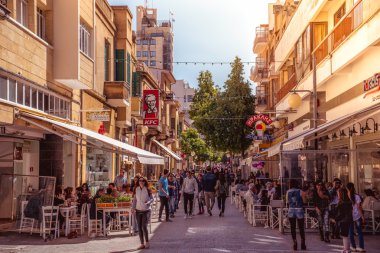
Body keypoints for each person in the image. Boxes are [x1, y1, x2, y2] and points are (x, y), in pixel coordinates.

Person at [132, 177, 154, 250]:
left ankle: (147, 242)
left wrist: (148, 202)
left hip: (146, 210)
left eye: (142, 181)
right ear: (138, 182)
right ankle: (142, 244)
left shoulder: (147, 189)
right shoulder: (136, 189)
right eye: (140, 181)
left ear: (145, 182)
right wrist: (133, 208)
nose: (141, 182)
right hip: (138, 210)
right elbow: (135, 200)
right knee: (139, 227)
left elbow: (152, 199)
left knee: (144, 226)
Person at [286, 179, 306, 251]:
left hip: (291, 210)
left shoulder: (288, 192)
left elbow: (287, 202)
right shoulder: (301, 191)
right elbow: (304, 201)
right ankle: (303, 243)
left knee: (292, 227)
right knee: (301, 227)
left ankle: (295, 243)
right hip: (299, 209)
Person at [347, 182, 365, 252]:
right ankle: (361, 247)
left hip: (349, 216)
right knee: (359, 232)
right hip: (357, 216)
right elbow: (359, 208)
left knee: (350, 232)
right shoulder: (357, 196)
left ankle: (353, 247)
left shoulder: (345, 196)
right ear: (353, 187)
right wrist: (362, 217)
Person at [334, 188, 353, 253]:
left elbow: (341, 214)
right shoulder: (349, 202)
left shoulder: (341, 203)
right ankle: (346, 249)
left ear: (341, 194)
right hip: (349, 219)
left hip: (343, 220)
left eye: (338, 194)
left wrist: (335, 219)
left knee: (344, 236)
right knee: (346, 235)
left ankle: (347, 249)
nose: (338, 195)